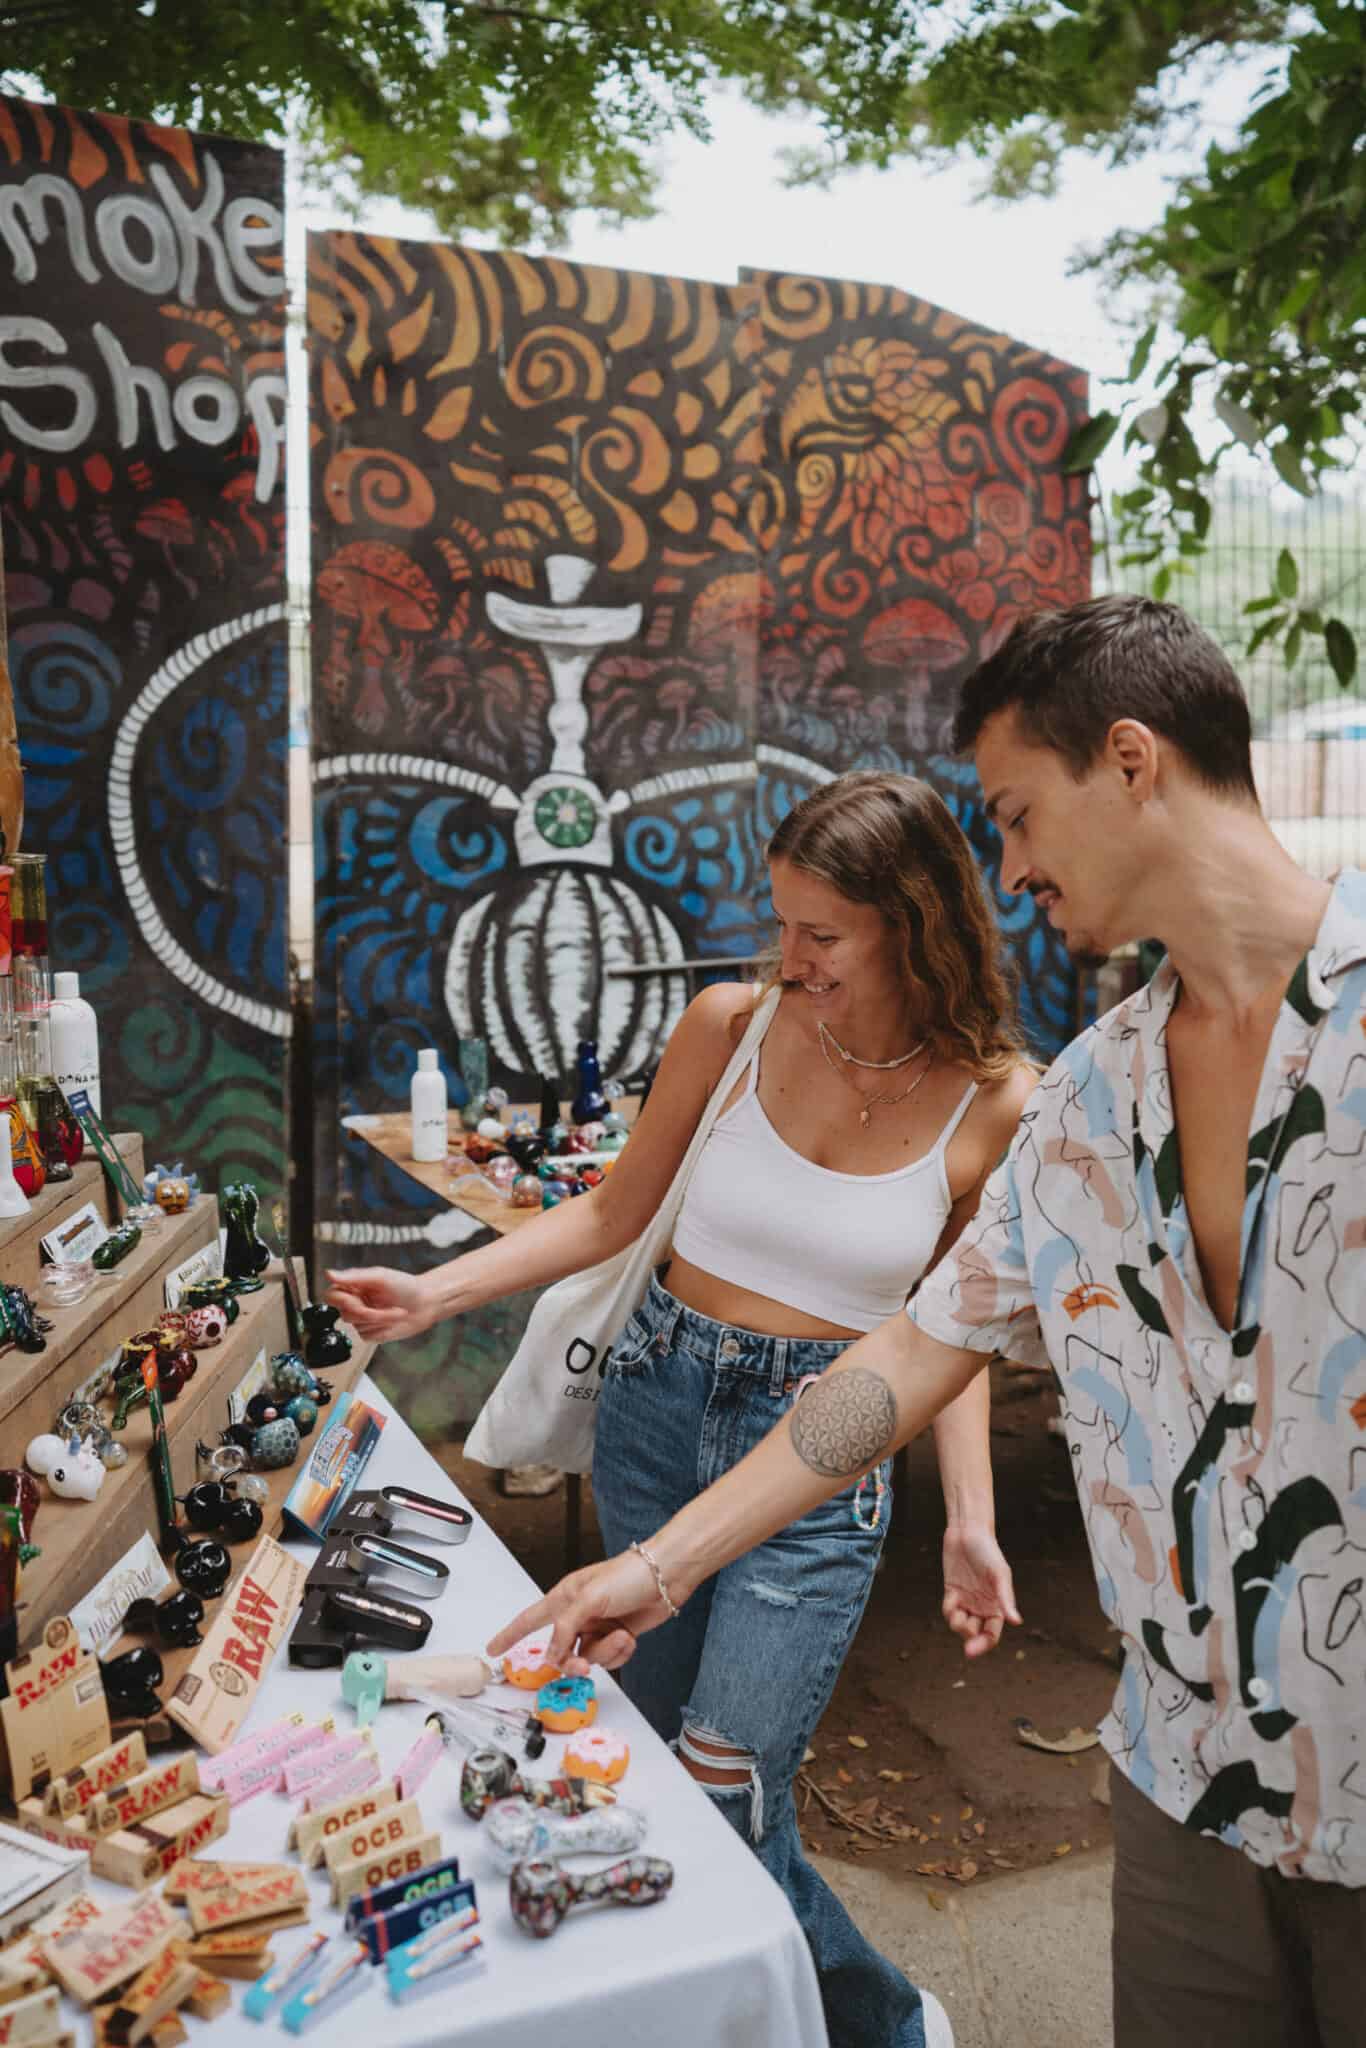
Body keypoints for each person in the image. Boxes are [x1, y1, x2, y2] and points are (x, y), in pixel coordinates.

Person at [490, 595, 1366, 2048]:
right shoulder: (1089, 1102)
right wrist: (659, 1562)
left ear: (1132, 763)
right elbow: (903, 1356)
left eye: (1018, 814)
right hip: (1182, 1789)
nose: (1008, 867)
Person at [329, 769, 1036, 2048]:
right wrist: (436, 1293)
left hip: (821, 1466)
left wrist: (968, 1522)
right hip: (658, 1407)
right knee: (641, 1771)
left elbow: (953, 1335)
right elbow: (608, 1209)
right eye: (782, 922)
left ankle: (873, 2024)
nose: (790, 955)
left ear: (913, 921)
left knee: (727, 1794)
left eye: (821, 932)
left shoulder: (997, 1102)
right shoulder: (730, 1024)